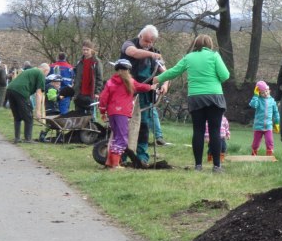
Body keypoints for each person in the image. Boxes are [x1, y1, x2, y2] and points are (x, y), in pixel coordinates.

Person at [153, 34, 230, 173]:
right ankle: (217, 166)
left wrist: (156, 79)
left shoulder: (188, 57)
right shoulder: (214, 56)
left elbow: (173, 72)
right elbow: (225, 76)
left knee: (198, 131)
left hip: (196, 98)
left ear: (196, 44)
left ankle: (198, 166)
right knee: (214, 131)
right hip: (214, 97)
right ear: (210, 45)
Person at [120, 25, 168, 166]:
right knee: (125, 126)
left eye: (151, 42)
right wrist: (152, 54)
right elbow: (134, 53)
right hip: (127, 92)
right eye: (146, 41)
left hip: (146, 95)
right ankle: (121, 156)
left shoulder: (155, 52)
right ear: (140, 36)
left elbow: (165, 72)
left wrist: (165, 84)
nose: (149, 45)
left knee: (144, 126)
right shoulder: (128, 44)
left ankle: (142, 157)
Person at [98, 59, 157, 169]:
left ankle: (109, 162)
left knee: (116, 137)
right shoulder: (130, 81)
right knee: (122, 139)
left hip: (112, 113)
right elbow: (140, 86)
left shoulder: (110, 82)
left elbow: (103, 98)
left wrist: (102, 111)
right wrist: (151, 87)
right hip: (122, 113)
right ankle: (115, 164)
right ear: (128, 70)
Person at [6, 63, 50, 143]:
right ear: (46, 70)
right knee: (29, 116)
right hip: (21, 91)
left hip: (10, 89)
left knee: (17, 116)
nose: (46, 75)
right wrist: (38, 110)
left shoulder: (30, 70)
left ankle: (17, 138)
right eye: (47, 73)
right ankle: (28, 139)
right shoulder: (40, 73)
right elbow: (39, 93)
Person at [249, 81, 280, 156]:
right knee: (255, 143)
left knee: (269, 141)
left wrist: (277, 123)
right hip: (258, 126)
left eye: (266, 91)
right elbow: (253, 105)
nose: (265, 93)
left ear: (269, 90)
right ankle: (254, 153)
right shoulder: (258, 100)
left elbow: (276, 113)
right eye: (262, 93)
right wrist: (255, 95)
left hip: (268, 126)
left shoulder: (272, 101)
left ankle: (269, 155)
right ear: (259, 93)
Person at [73, 41, 103, 114]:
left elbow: (99, 78)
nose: (85, 51)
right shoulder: (79, 62)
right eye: (84, 50)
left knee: (91, 115)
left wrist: (97, 92)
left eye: (87, 50)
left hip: (91, 94)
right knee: (78, 114)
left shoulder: (96, 62)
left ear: (92, 50)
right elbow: (76, 76)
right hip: (79, 93)